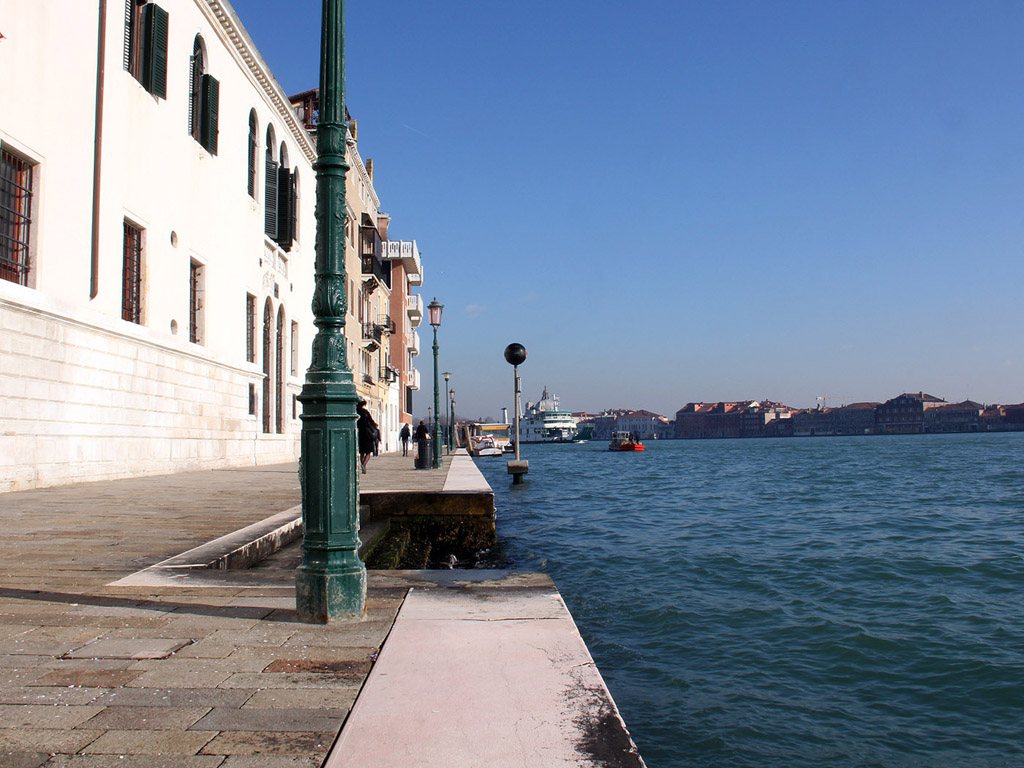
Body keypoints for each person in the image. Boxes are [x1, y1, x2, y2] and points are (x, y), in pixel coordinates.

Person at [356, 400, 379, 474]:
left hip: (360, 435)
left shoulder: (356, 412)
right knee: (368, 453)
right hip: (368, 435)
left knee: (362, 452)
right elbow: (371, 422)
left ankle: (362, 464)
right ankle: (364, 464)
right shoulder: (365, 413)